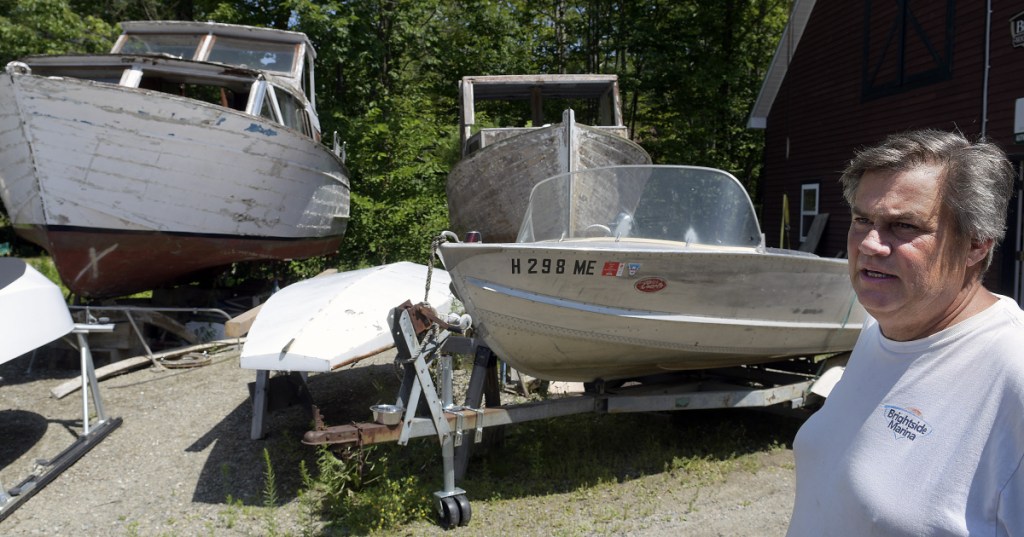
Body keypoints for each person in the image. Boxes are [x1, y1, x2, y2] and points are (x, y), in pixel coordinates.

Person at [786, 129, 1024, 536]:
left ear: (977, 244)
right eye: (862, 219)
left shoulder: (1012, 373)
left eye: (904, 226)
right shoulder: (879, 329)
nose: (870, 244)